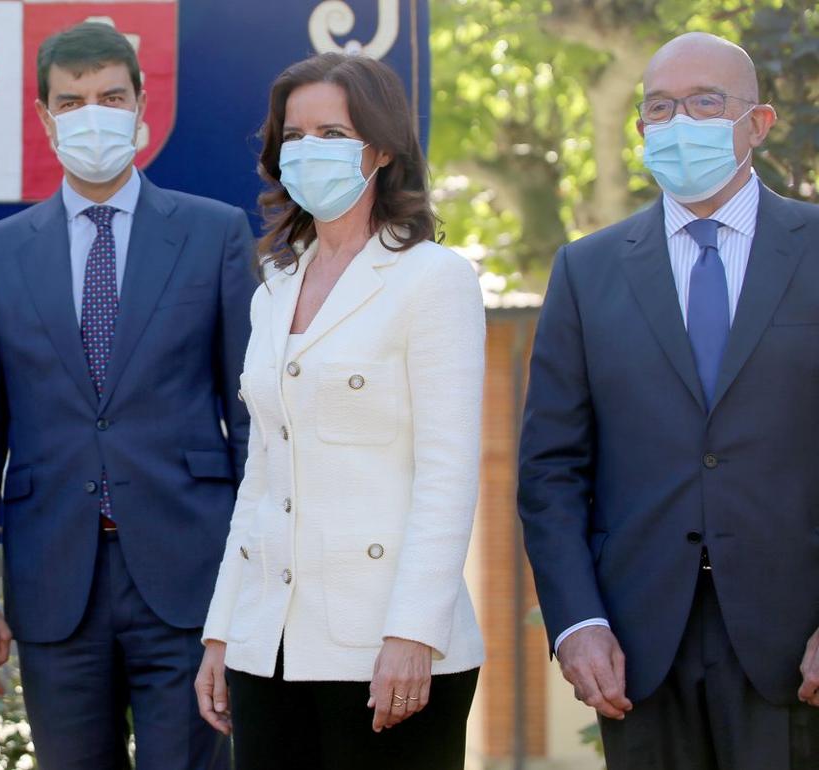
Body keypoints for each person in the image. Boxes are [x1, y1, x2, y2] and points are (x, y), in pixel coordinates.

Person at [0, 21, 256, 770]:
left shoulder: (214, 235)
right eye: (72, 101)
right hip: (54, 584)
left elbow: (254, 424)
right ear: (45, 116)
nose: (93, 115)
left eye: (112, 97)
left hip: (192, 581)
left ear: (141, 105)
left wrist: (255, 577)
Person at [518, 32, 819, 769]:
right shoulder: (586, 271)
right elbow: (551, 470)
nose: (680, 123)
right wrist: (577, 623)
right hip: (637, 651)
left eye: (705, 103)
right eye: (660, 107)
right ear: (641, 129)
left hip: (796, 647)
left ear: (758, 123)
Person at [195, 52, 485, 770]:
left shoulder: (434, 279)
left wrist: (414, 633)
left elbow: (447, 474)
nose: (308, 150)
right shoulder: (274, 287)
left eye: (331, 133)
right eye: (294, 136)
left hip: (387, 647)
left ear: (381, 149)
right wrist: (223, 631)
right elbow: (261, 478)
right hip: (269, 644)